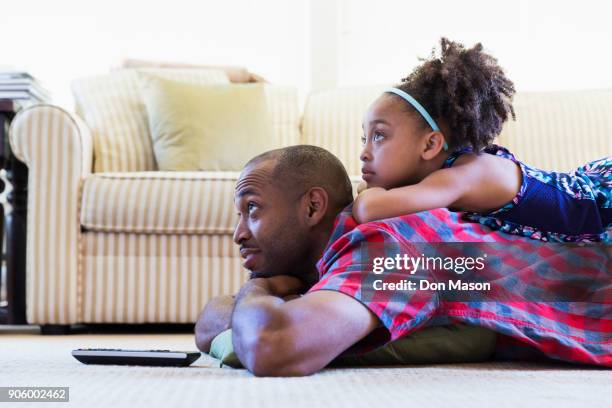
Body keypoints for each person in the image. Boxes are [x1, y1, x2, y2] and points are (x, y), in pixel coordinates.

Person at [194, 145, 610, 376]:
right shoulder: (347, 254)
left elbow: (273, 347)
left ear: (312, 207)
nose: (239, 233)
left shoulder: (384, 244)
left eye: (252, 209)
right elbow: (210, 327)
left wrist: (261, 288)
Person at [354, 38, 611, 243]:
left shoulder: (465, 175)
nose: (363, 153)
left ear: (430, 145)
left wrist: (370, 192)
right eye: (364, 138)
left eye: (379, 136)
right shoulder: (455, 168)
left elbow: (369, 208)